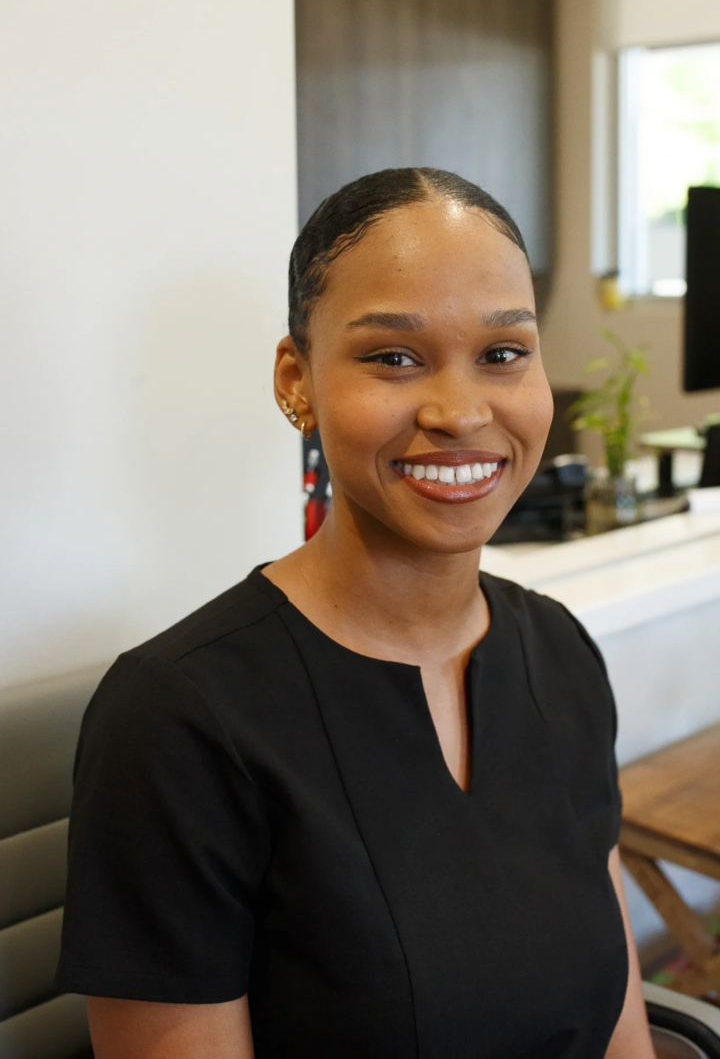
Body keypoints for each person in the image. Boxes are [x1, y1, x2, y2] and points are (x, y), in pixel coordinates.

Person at [56, 168, 656, 1058]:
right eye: (394, 357)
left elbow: (620, 1029)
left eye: (502, 353)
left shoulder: (560, 652)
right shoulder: (177, 720)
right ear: (296, 379)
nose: (461, 412)